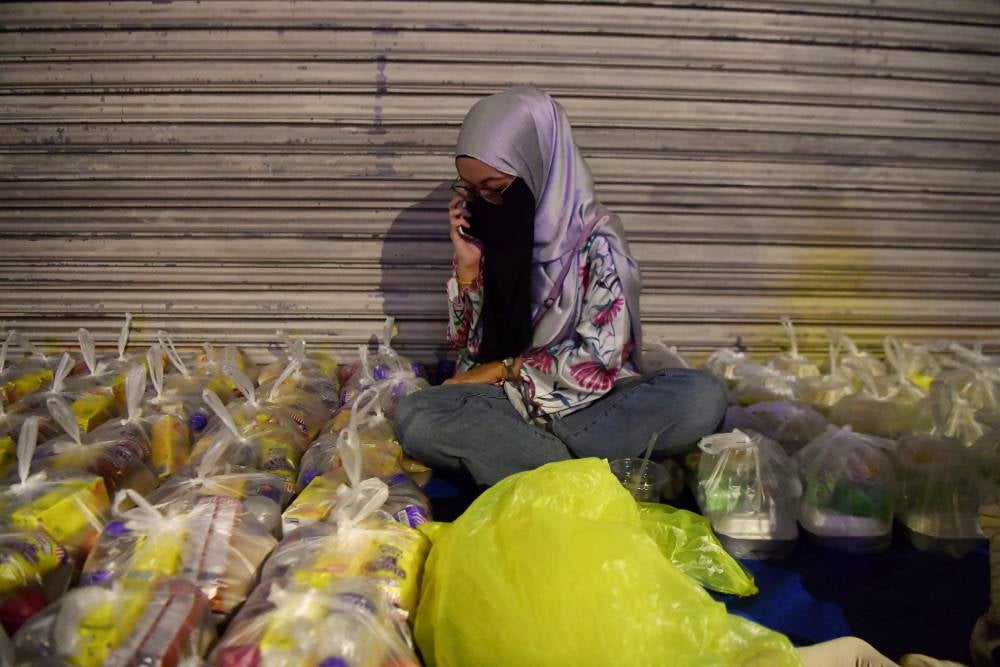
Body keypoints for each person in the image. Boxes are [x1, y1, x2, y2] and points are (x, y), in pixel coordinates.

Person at [392, 86, 728, 486]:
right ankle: (586, 474)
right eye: (469, 189)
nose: (481, 202)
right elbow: (466, 344)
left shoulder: (596, 242)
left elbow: (600, 363)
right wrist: (468, 267)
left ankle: (533, 463)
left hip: (586, 404)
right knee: (417, 415)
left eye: (494, 188)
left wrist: (506, 369)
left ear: (539, 168)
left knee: (700, 396)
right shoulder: (488, 228)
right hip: (507, 405)